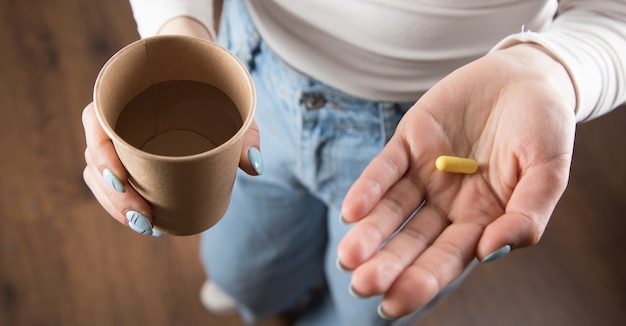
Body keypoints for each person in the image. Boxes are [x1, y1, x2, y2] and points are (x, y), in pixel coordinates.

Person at [82, 0, 626, 324]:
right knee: (241, 271)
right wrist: (180, 39)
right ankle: (261, 292)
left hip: (452, 132)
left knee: (366, 312)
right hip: (250, 82)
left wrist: (551, 71)